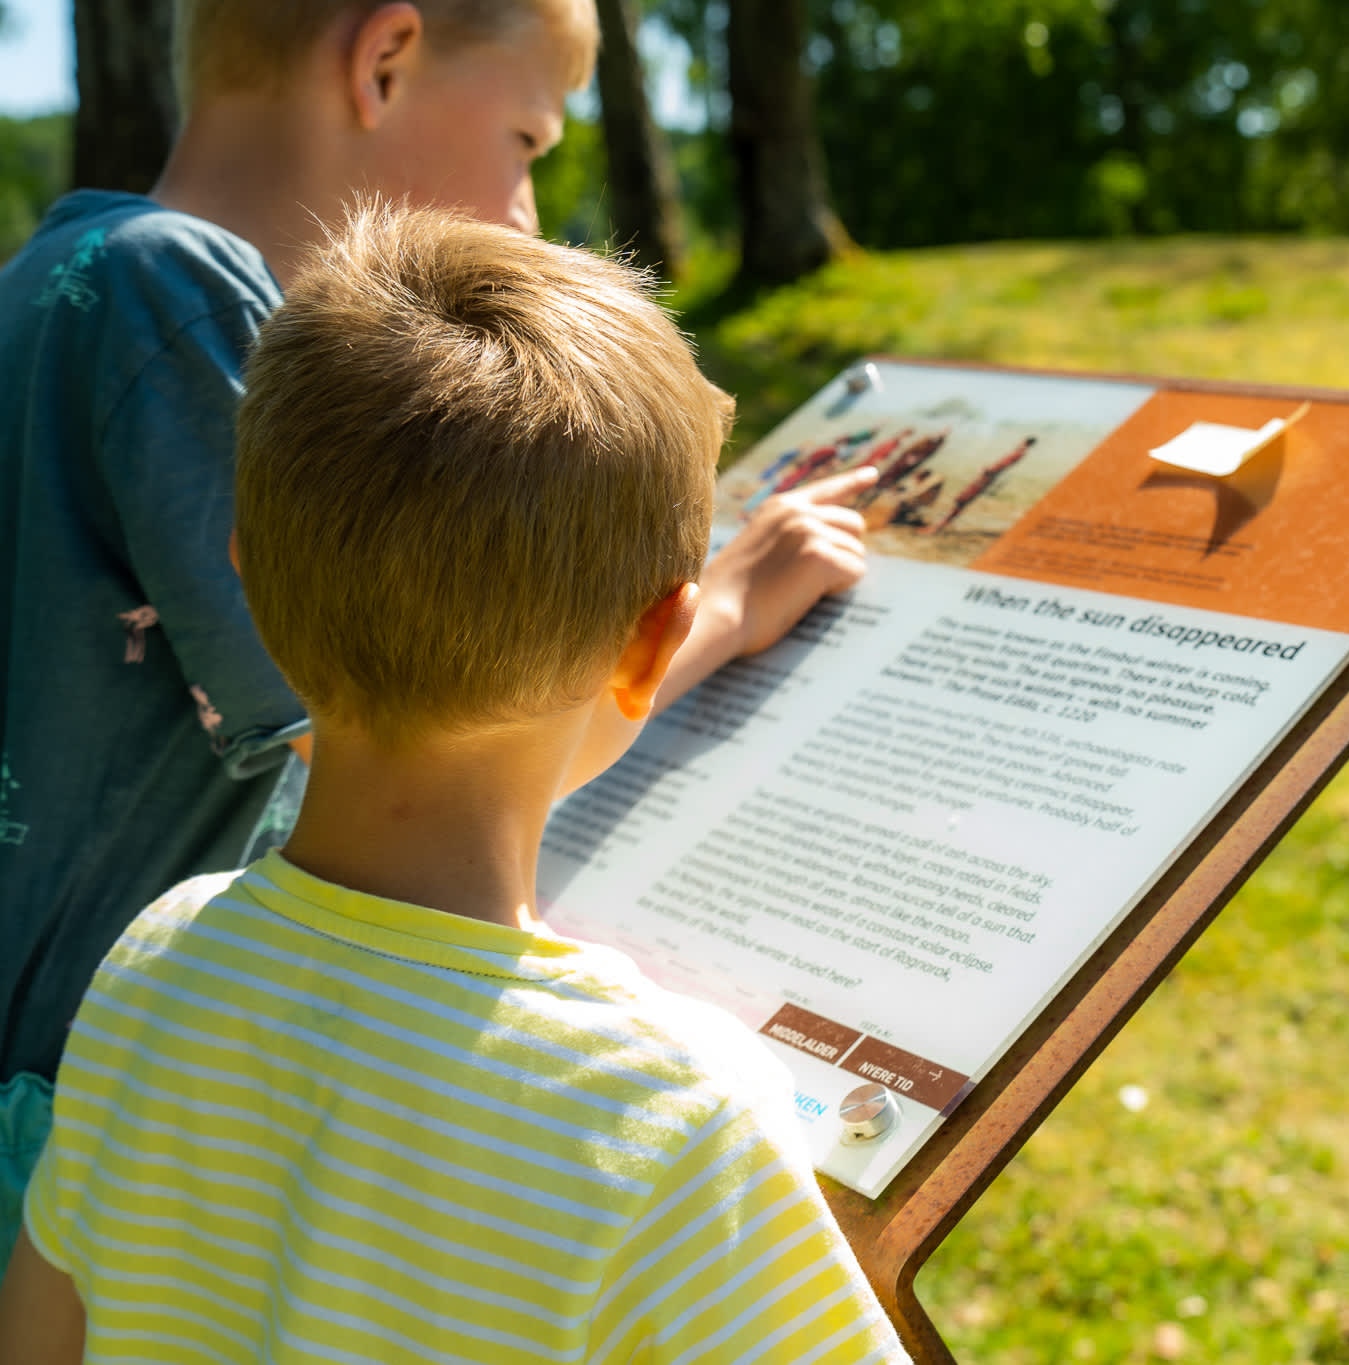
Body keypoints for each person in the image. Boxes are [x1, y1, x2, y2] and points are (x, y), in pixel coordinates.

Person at [0, 0, 873, 1252]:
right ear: (385, 58)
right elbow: (417, 733)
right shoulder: (179, 294)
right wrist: (724, 606)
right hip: (91, 1124)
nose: (523, 212)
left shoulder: (68, 272)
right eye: (526, 141)